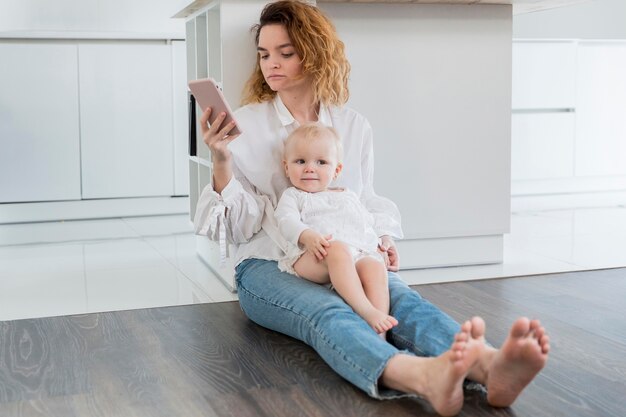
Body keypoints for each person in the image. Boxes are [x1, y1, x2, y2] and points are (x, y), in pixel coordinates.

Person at [193, 1, 550, 415]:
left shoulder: (352, 125)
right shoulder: (247, 124)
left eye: (285, 52)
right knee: (325, 309)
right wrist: (220, 160)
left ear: (315, 52)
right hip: (266, 264)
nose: (271, 63)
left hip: (348, 253)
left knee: (403, 298)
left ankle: (490, 366)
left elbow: (361, 199)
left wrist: (380, 238)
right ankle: (419, 376)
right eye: (264, 54)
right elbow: (239, 226)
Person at [275, 122, 399, 335]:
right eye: (300, 161)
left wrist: (381, 243)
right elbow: (285, 220)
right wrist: (307, 236)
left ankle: (380, 335)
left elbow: (365, 222)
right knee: (338, 249)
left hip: (354, 255)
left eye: (321, 162)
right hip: (313, 256)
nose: (310, 168)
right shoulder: (294, 196)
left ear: (336, 170)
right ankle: (366, 310)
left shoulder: (347, 195)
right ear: (286, 167)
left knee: (374, 266)